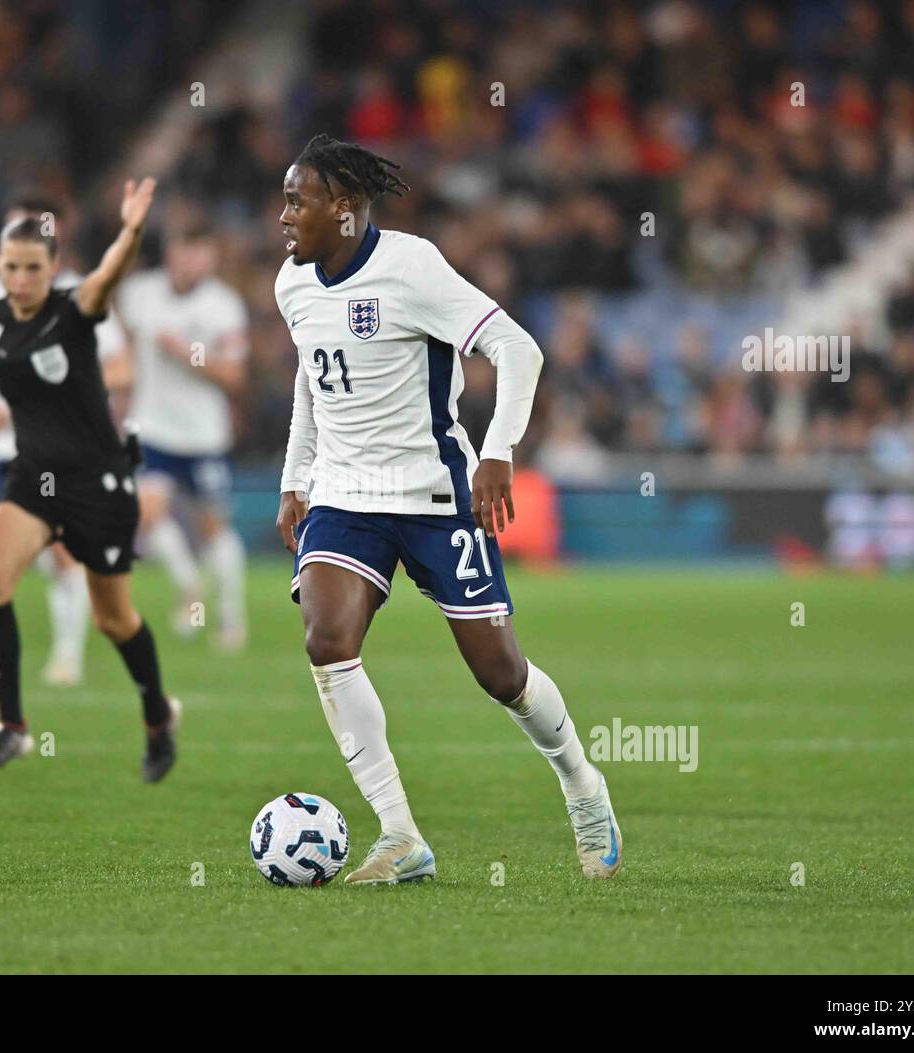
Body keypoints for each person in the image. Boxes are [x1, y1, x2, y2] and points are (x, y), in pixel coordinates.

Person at [274, 135, 622, 883]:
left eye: (297, 200)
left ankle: (581, 784)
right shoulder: (292, 283)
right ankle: (399, 835)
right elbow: (310, 381)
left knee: (500, 673)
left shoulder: (412, 266)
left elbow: (517, 348)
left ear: (344, 209)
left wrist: (498, 451)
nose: (283, 216)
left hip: (436, 496)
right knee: (327, 638)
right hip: (345, 496)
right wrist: (293, 476)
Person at [0, 178, 182, 781]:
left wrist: (130, 231)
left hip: (98, 484)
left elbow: (108, 275)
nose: (20, 280)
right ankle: (11, 727)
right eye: (11, 267)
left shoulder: (75, 310)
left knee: (114, 620)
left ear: (52, 268)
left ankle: (156, 714)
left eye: (32, 268)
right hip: (31, 479)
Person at [0, 193, 129, 687]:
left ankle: (67, 657)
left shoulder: (80, 295)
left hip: (60, 453)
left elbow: (122, 367)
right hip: (7, 451)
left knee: (61, 553)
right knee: (13, 565)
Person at [116, 220, 249, 649]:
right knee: (145, 512)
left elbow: (234, 375)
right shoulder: (140, 294)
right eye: (182, 251)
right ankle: (190, 584)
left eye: (198, 253)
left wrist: (189, 353)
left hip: (203, 434)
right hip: (151, 425)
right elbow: (123, 350)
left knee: (214, 529)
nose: (189, 262)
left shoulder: (223, 307)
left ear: (209, 258)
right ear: (169, 253)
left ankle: (230, 620)